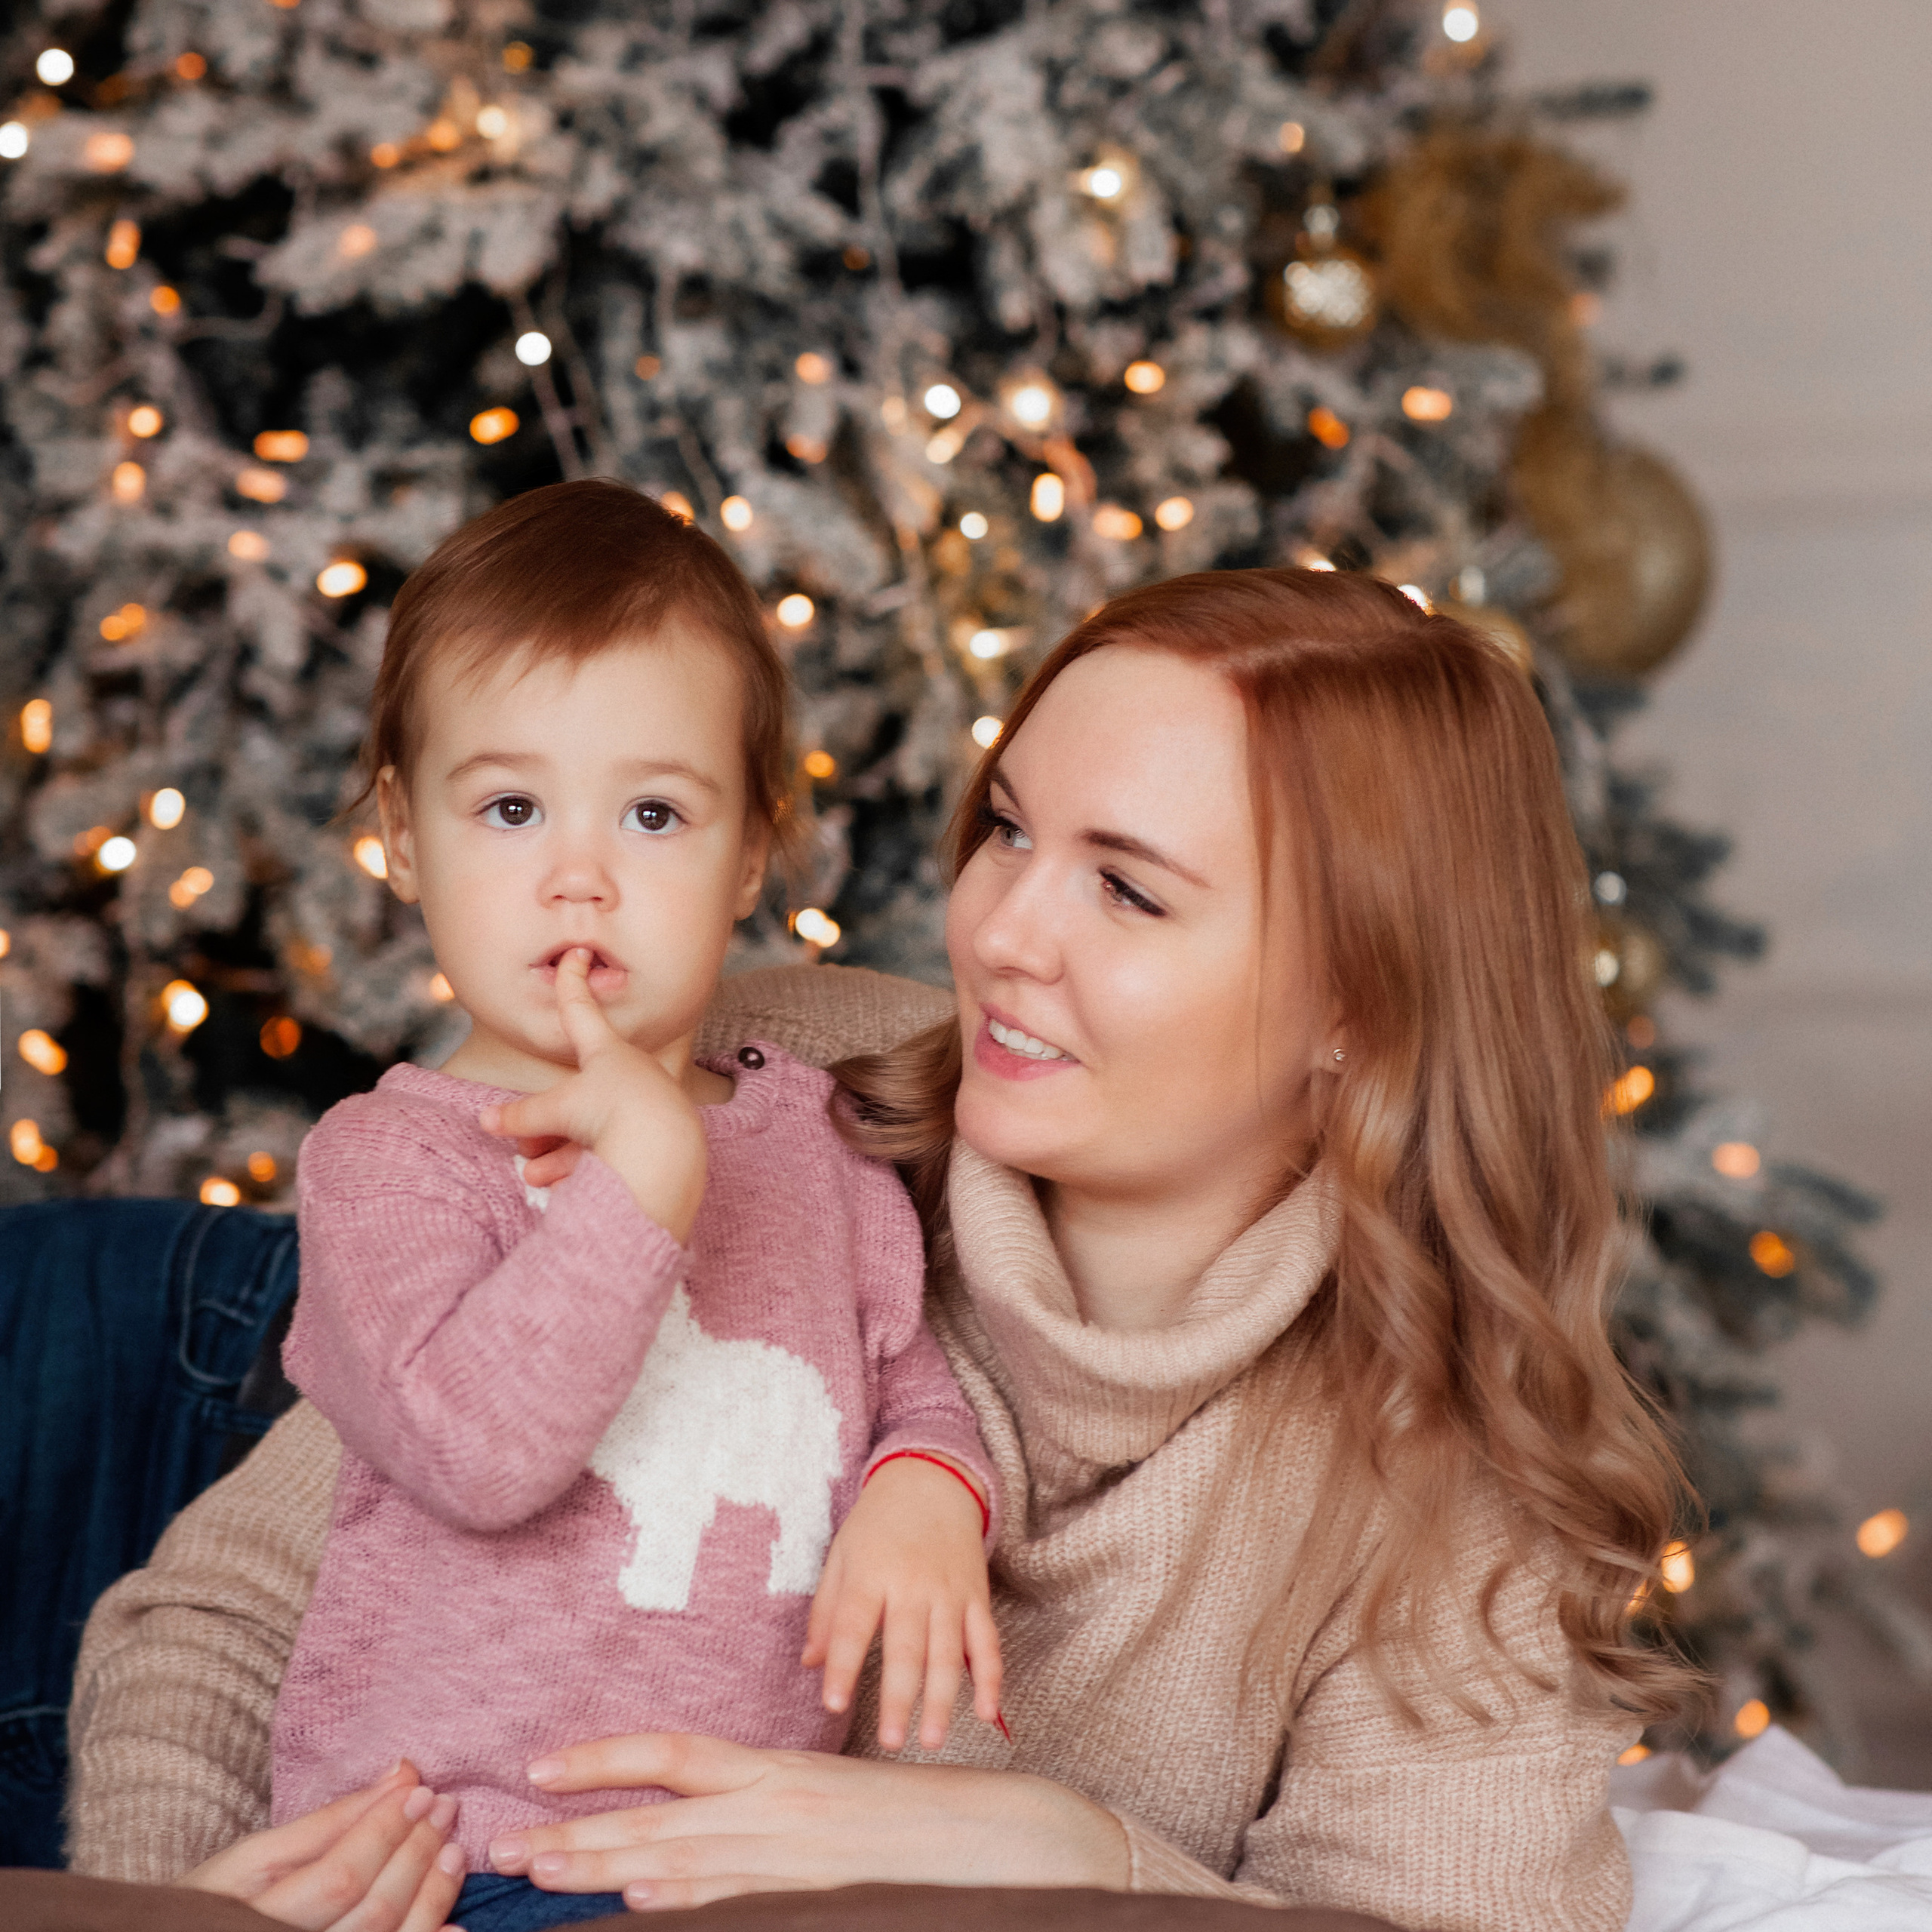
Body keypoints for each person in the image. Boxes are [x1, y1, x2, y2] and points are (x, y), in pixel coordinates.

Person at [69, 566, 1694, 1932]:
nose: (994, 932)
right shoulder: (770, 1081)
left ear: (1357, 1006)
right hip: (154, 1374)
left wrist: (1068, 1856)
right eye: (1005, 826)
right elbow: (222, 1610)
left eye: (1125, 892)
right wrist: (179, 1895)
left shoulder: (1443, 1503)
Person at [247, 479, 1001, 1932]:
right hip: (455, 1854)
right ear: (405, 838)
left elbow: (907, 1374)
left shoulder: (811, 1134)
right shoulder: (390, 1167)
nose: (579, 878)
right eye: (512, 807)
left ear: (752, 856)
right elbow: (473, 1453)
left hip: (743, 1861)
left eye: (654, 813)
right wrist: (644, 1184)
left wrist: (928, 1486)